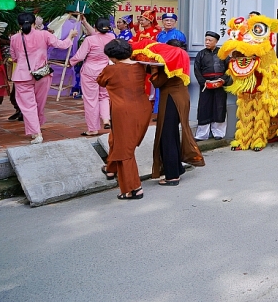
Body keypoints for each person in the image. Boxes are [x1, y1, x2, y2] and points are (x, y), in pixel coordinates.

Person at [97, 39, 153, 200]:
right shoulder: (141, 65)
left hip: (123, 112)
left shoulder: (111, 69)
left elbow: (100, 81)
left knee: (125, 150)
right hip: (142, 109)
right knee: (117, 140)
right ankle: (110, 168)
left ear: (113, 57)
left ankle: (133, 189)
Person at [10, 12, 77, 144]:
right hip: (42, 73)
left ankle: (36, 132)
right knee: (39, 104)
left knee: (28, 106)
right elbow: (62, 45)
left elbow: (15, 58)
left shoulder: (14, 38)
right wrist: (70, 36)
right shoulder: (44, 34)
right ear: (35, 23)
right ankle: (37, 128)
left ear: (19, 24)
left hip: (22, 75)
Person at [150, 40, 205, 185]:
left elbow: (157, 82)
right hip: (181, 97)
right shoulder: (182, 57)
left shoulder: (170, 61)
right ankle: (177, 168)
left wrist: (153, 69)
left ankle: (172, 176)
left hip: (171, 98)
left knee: (167, 136)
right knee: (172, 134)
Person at [69, 17, 115, 136]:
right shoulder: (112, 37)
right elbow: (98, 35)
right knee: (104, 96)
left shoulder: (89, 40)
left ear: (95, 28)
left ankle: (93, 128)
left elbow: (80, 56)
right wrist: (84, 21)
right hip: (106, 71)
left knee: (90, 100)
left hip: (90, 72)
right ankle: (106, 119)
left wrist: (70, 62)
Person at [193, 31, 230, 141]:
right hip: (206, 84)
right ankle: (202, 134)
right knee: (204, 107)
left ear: (216, 42)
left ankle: (218, 133)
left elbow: (229, 69)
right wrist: (203, 82)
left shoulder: (223, 54)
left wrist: (223, 79)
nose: (207, 42)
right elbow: (197, 70)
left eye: (210, 40)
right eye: (206, 40)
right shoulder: (201, 54)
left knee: (219, 107)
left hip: (219, 83)